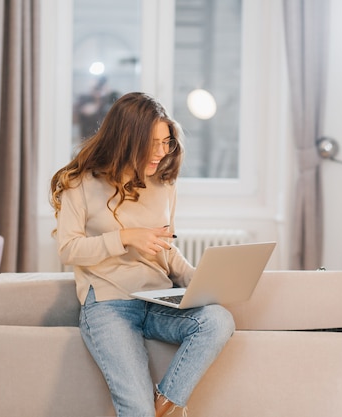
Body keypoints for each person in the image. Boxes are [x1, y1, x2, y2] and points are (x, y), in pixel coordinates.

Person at [50, 92, 235, 417]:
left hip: (159, 300)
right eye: (152, 142)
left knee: (218, 320)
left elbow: (164, 245)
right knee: (135, 409)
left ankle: (167, 404)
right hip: (109, 305)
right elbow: (69, 249)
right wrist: (124, 238)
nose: (162, 152)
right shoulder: (79, 183)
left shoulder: (164, 184)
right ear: (126, 139)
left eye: (167, 142)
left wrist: (199, 280)